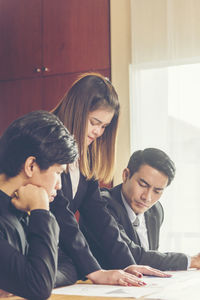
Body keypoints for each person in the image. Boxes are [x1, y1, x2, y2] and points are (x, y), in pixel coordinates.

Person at [50, 72, 170, 288]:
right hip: (25, 244)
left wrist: (128, 264)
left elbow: (99, 215)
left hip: (54, 251)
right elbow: (61, 213)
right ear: (77, 111)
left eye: (104, 126)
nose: (98, 132)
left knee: (70, 272)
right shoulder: (46, 136)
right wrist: (95, 271)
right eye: (94, 122)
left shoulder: (86, 153)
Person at [0, 110, 78, 299]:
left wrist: (25, 281)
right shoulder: (34, 211)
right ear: (31, 165)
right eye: (58, 172)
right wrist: (41, 210)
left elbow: (69, 267)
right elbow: (39, 287)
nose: (59, 186)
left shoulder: (21, 210)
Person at [80, 148, 200, 271]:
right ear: (126, 175)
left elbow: (151, 258)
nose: (147, 198)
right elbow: (132, 257)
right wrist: (191, 260)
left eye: (157, 191)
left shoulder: (156, 211)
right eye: (143, 185)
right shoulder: (101, 205)